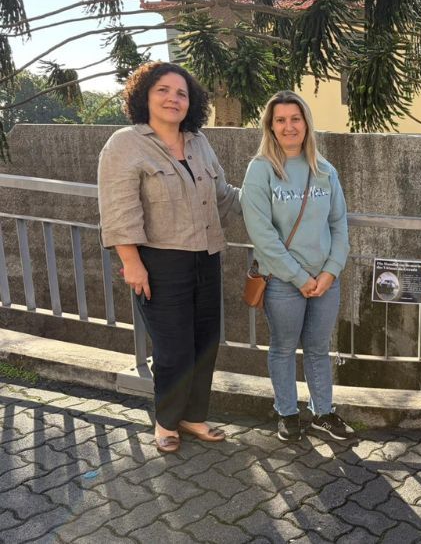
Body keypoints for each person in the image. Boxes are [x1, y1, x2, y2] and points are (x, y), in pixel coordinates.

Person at [97, 62, 240, 454]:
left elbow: (224, 195)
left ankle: (194, 416)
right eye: (163, 90)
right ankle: (165, 421)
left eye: (181, 93)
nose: (173, 99)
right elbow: (119, 209)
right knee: (173, 348)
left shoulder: (199, 142)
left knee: (205, 342)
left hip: (207, 257)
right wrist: (132, 262)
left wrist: (269, 199)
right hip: (160, 262)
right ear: (144, 95)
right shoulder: (125, 144)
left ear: (191, 102)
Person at [240, 91, 353, 442]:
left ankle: (324, 412)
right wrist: (300, 278)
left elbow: (339, 226)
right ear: (270, 127)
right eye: (280, 120)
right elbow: (262, 234)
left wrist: (330, 272)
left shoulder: (325, 170)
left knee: (319, 349)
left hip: (325, 281)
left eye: (295, 118)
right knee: (284, 348)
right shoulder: (260, 171)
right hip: (283, 281)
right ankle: (287, 413)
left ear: (306, 123)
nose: (289, 126)